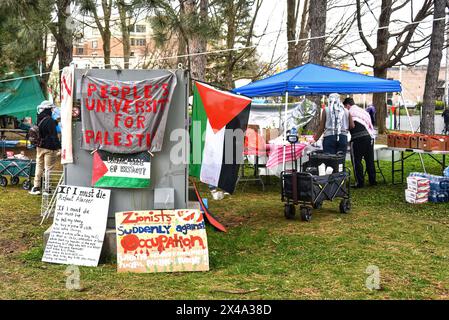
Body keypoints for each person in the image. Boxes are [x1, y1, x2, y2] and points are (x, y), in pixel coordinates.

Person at [343, 97, 377, 188]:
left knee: (357, 161)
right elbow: (370, 124)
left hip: (357, 139)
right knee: (369, 160)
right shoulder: (363, 111)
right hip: (369, 137)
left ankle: (360, 182)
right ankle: (372, 180)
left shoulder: (349, 112)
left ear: (348, 105)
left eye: (345, 107)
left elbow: (349, 126)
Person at [29, 101, 61, 195]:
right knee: (48, 168)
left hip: (39, 147)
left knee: (39, 166)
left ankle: (36, 187)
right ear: (49, 109)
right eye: (52, 109)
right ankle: (47, 189)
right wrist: (59, 147)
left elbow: (45, 126)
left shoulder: (39, 118)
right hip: (49, 148)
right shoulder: (50, 120)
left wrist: (56, 121)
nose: (53, 110)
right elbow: (53, 135)